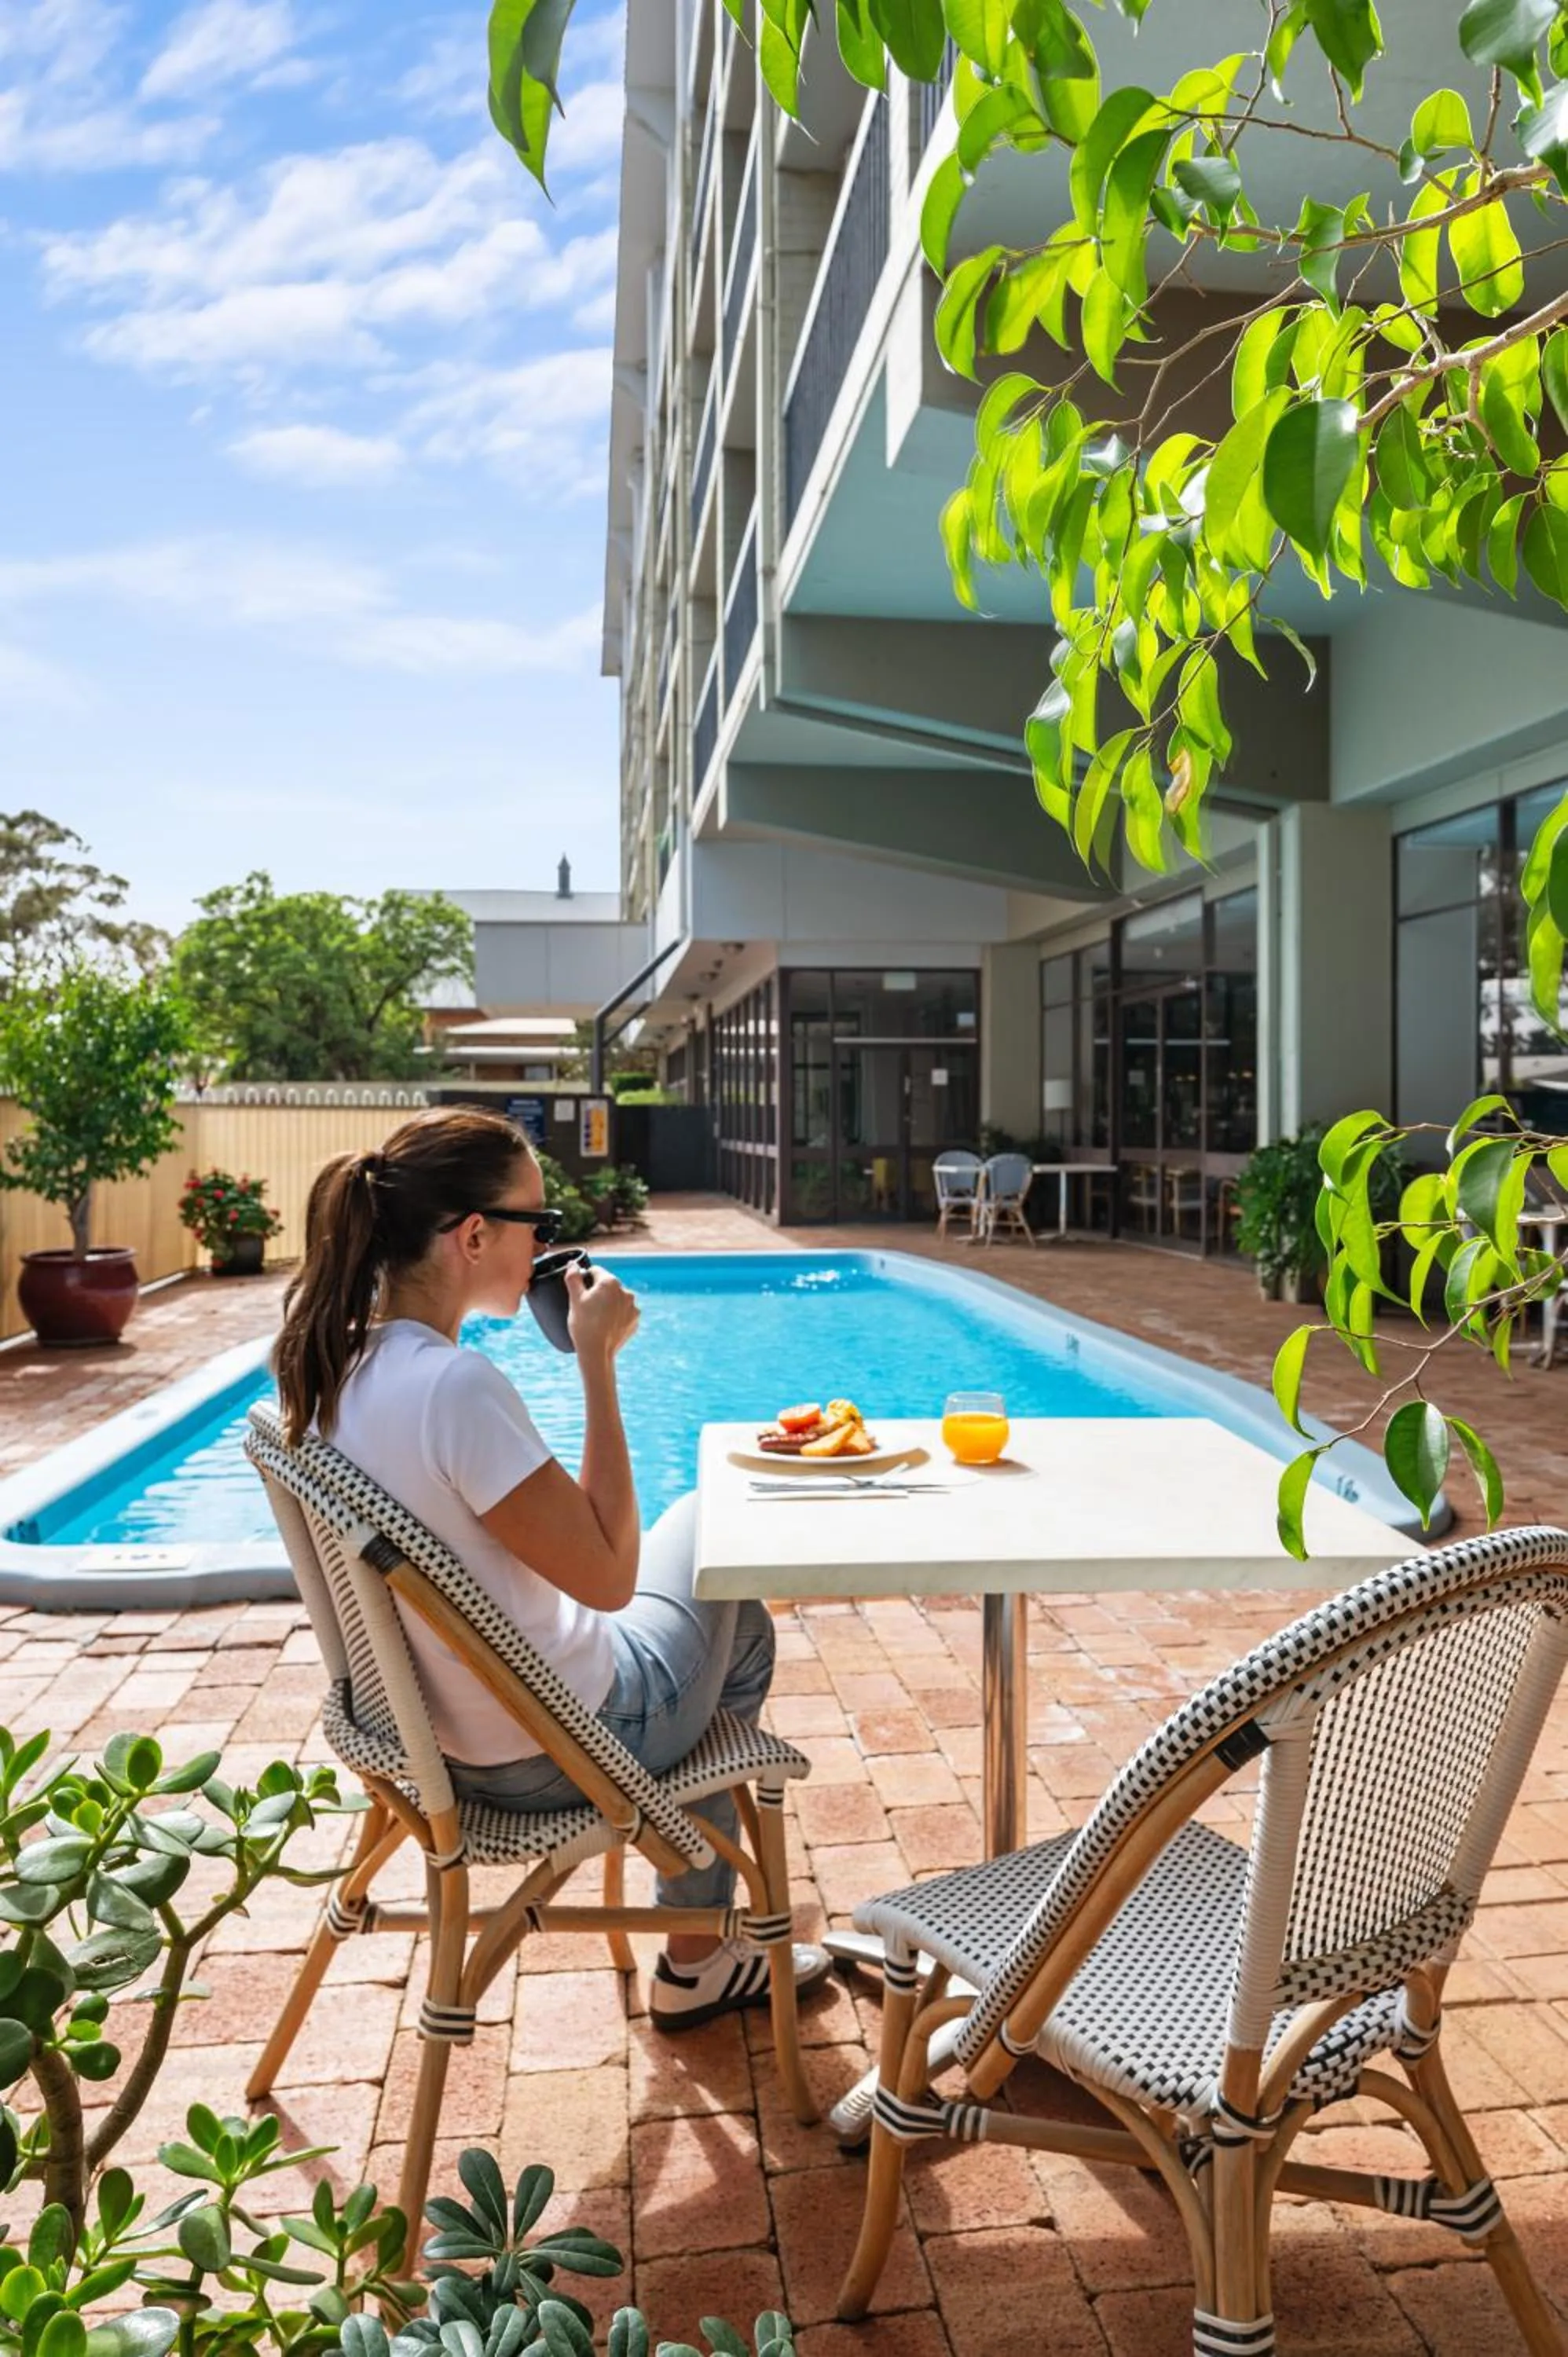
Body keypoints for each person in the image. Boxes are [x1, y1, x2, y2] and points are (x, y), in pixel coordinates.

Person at [273, 1106, 830, 2030]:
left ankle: (698, 1942)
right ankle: (697, 1949)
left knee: (735, 1626)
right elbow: (610, 1580)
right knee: (712, 1532)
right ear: (474, 1235)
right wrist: (596, 1363)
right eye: (538, 1222)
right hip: (562, 1746)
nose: (547, 1244)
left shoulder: (338, 1366)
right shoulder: (455, 1390)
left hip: (435, 1745)